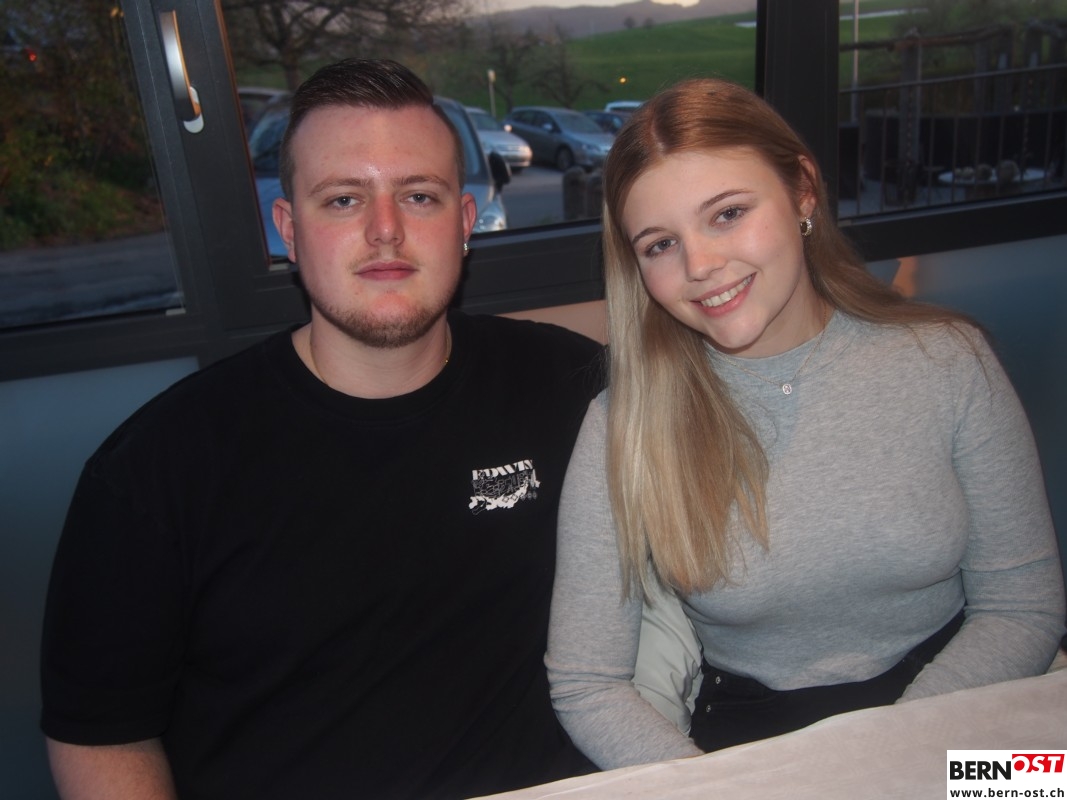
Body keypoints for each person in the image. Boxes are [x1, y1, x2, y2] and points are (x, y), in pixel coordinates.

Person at [40, 58, 602, 799]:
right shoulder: (155, 469)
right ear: (288, 231)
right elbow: (102, 735)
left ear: (464, 223)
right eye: (343, 199)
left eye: (419, 196)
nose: (385, 230)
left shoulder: (569, 387)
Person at [546, 77, 1066, 770]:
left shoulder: (947, 359)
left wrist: (891, 755)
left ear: (802, 192)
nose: (701, 266)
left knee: (1041, 789)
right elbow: (587, 683)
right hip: (758, 750)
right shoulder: (622, 426)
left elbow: (1024, 605)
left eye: (727, 213)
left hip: (965, 709)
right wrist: (713, 790)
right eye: (660, 244)